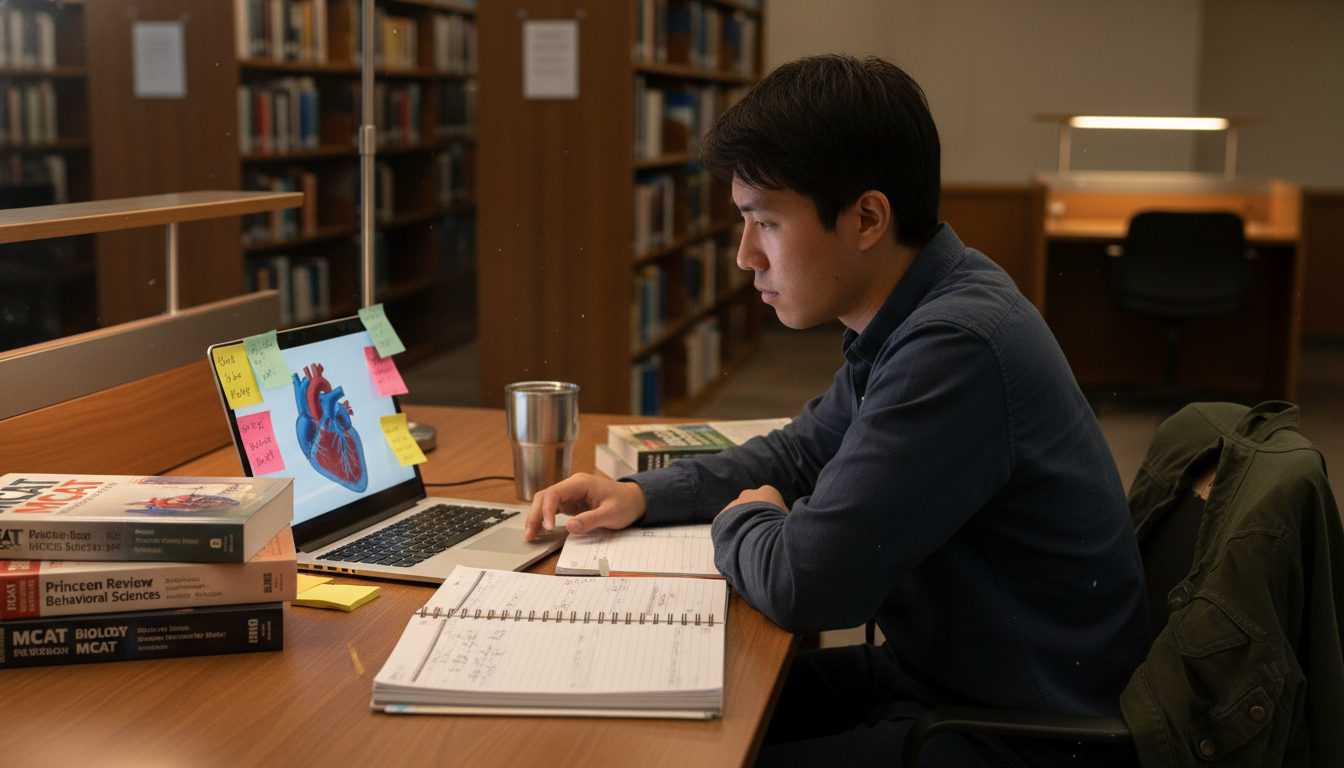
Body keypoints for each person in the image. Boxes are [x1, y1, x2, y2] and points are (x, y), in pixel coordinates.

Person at [524, 54, 1149, 767]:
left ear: (867, 218)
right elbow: (801, 451)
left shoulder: (955, 345)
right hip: (948, 676)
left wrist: (741, 519)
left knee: (679, 751)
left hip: (1020, 728)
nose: (743, 256)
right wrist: (641, 493)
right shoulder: (924, 306)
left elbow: (805, 584)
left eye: (765, 223)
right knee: (651, 721)